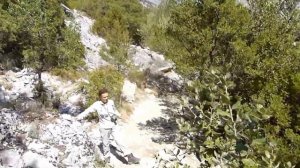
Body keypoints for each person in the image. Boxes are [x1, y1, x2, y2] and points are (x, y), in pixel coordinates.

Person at [76, 88, 140, 164]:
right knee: (105, 143)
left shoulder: (111, 102)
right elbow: (87, 111)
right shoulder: (96, 105)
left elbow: (114, 110)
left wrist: (119, 115)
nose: (106, 98)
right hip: (104, 128)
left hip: (113, 125)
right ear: (100, 97)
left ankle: (130, 157)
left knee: (119, 140)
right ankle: (107, 158)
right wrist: (78, 117)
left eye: (107, 97)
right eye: (104, 97)